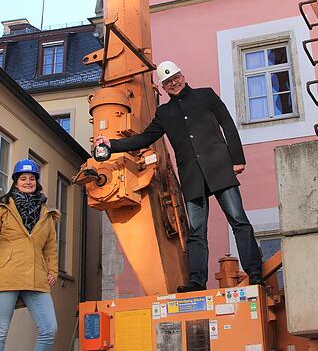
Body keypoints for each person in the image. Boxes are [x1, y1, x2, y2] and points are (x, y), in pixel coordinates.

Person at [94, 60, 264, 293]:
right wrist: (111, 144)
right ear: (163, 87)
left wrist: (237, 158)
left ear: (182, 76)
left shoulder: (206, 96)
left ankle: (255, 273)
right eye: (168, 82)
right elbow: (144, 139)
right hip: (193, 177)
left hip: (219, 169)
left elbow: (228, 124)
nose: (173, 83)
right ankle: (197, 281)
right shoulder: (164, 113)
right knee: (196, 232)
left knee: (239, 221)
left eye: (175, 78)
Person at [0, 159, 60, 351]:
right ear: (16, 181)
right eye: (23, 178)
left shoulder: (45, 214)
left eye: (32, 178)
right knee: (0, 332)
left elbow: (50, 247)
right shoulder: (2, 208)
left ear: (36, 182)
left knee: (49, 329)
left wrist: (52, 271)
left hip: (36, 277)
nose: (28, 182)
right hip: (7, 275)